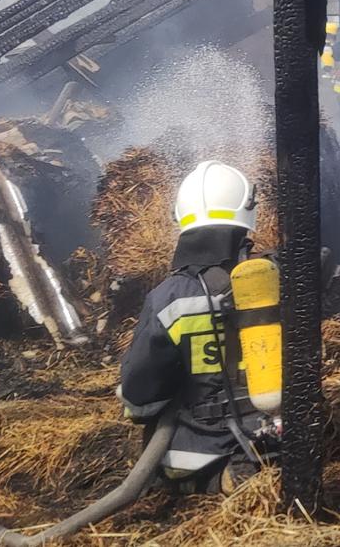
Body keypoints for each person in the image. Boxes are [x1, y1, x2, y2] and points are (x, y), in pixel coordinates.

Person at [119, 161, 280, 493]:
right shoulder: (272, 278)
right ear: (247, 216)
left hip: (199, 454)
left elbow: (140, 395)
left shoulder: (167, 299)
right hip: (284, 435)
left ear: (181, 219)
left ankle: (224, 481)